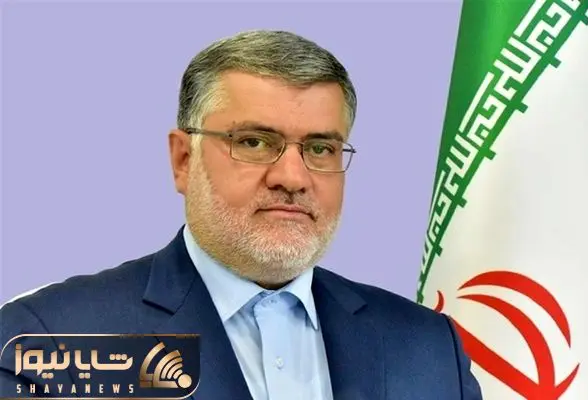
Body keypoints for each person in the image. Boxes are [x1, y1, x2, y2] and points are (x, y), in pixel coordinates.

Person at [0, 30, 482, 400]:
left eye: (320, 148)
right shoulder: (52, 341)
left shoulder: (427, 347)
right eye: (254, 142)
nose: (292, 177)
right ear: (183, 160)